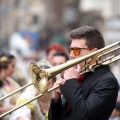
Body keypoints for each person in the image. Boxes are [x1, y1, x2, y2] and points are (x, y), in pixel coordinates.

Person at [48, 26, 119, 120]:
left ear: (93, 52)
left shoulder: (107, 81)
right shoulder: (78, 75)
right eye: (70, 50)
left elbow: (84, 115)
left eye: (76, 51)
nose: (71, 55)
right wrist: (56, 100)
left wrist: (71, 82)